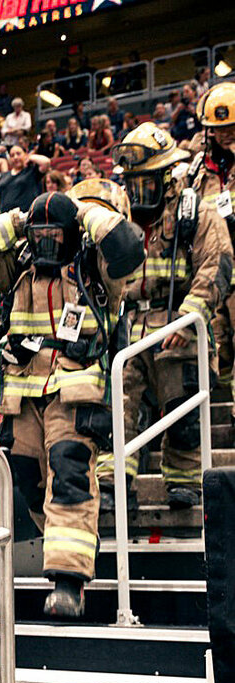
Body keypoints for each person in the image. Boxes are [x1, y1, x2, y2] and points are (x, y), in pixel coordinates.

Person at [0, 180, 145, 617]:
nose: (45, 242)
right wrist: (21, 220)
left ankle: (68, 582)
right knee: (26, 482)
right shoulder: (17, 267)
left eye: (53, 234)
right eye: (38, 235)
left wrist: (79, 212)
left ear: (72, 233)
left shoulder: (96, 269)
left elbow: (128, 248)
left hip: (76, 395)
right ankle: (73, 545)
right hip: (23, 401)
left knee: (69, 477)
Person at [98, 123, 232, 513]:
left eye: (145, 182)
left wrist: (191, 315)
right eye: (132, 183)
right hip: (130, 329)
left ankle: (184, 482)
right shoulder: (118, 219)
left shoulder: (197, 213)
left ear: (165, 176)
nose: (137, 192)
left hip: (179, 328)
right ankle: (113, 482)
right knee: (118, 408)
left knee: (183, 410)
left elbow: (216, 265)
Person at [192, 83, 235, 419]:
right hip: (214, 269)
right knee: (220, 340)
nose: (225, 135)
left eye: (231, 128)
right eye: (219, 130)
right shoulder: (198, 171)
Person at [0, 146, 50, 216]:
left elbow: (46, 162)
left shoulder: (31, 171)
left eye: (18, 154)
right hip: (6, 218)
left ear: (25, 154)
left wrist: (29, 157)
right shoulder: (4, 175)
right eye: (12, 155)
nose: (15, 157)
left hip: (26, 216)